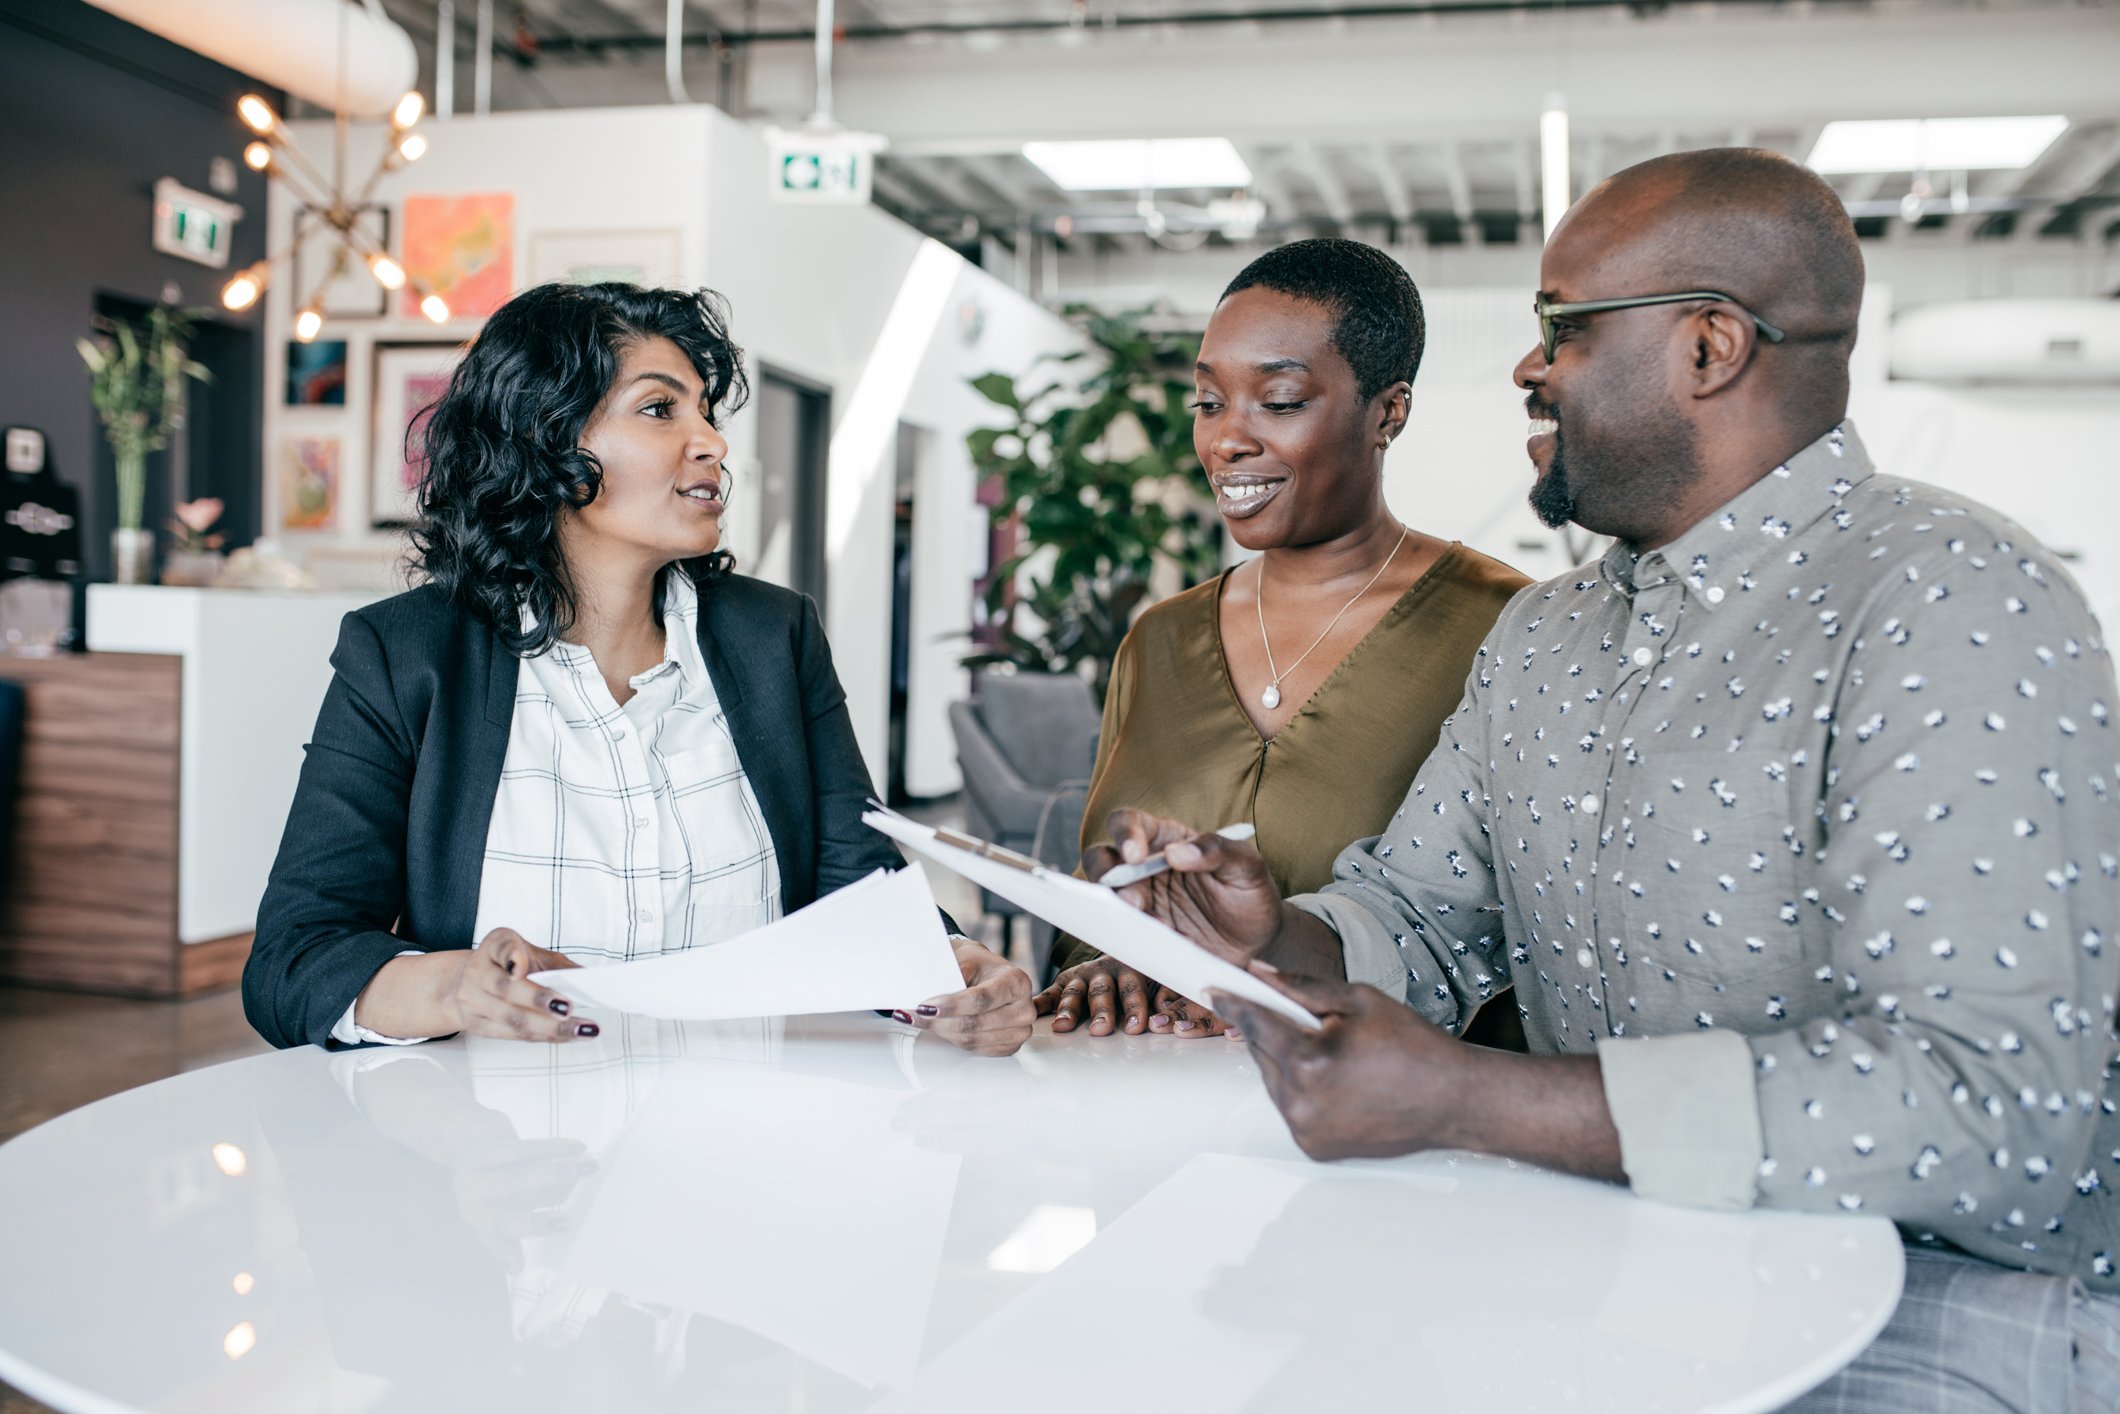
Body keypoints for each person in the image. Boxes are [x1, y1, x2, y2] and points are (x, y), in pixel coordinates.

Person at [1090, 149, 2120, 1409]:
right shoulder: (1544, 638)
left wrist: (1471, 1100)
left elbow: (1986, 1109)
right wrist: (1277, 931)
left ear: (1706, 348)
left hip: (1942, 1309)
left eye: (1559, 330)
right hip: (1628, 1261)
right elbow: (1416, 916)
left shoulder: (1947, 601)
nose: (1526, 368)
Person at [246, 282, 1032, 1057]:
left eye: (706, 411)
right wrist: (458, 988)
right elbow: (293, 960)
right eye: (661, 410)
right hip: (503, 1161)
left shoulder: (775, 638)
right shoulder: (406, 654)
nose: (713, 443)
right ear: (548, 440)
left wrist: (955, 970)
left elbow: (864, 896)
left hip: (756, 1140)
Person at [1032, 239, 1528, 1040]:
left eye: (1281, 400)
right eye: (1208, 402)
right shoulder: (1158, 642)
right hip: (1169, 1124)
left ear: (1387, 413)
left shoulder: (1507, 629)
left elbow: (1523, 929)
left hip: (1408, 1126)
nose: (1228, 439)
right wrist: (1108, 963)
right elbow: (1107, 901)